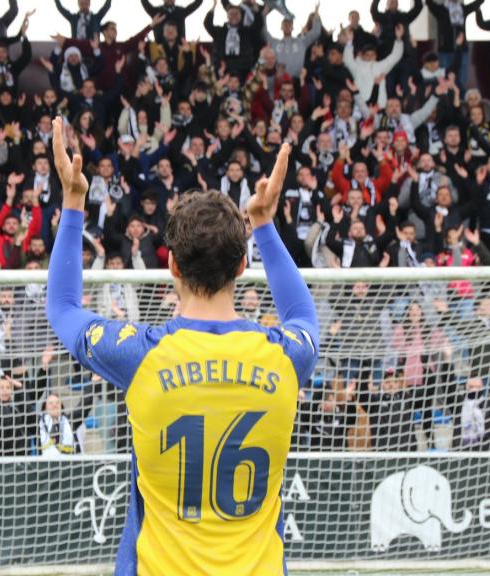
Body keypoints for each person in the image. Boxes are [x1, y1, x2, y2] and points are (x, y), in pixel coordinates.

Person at [46, 117, 318, 573]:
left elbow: (62, 307)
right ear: (243, 266)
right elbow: (303, 316)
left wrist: (74, 203)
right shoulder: (287, 355)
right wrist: (265, 224)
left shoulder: (140, 354)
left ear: (170, 265)